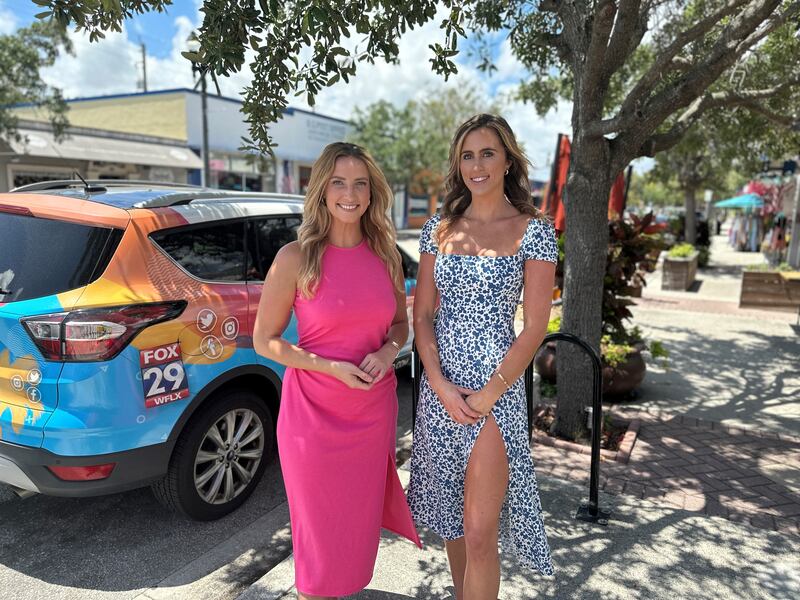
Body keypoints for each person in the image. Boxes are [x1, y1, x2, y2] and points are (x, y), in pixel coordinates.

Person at [253, 142, 421, 599]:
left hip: (371, 415)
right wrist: (328, 366)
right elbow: (265, 340)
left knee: (355, 532)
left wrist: (388, 352)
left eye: (360, 184)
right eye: (339, 183)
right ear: (322, 190)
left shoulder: (386, 256)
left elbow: (400, 325)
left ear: (372, 192)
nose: (350, 194)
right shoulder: (295, 257)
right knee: (317, 539)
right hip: (312, 418)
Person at [408, 114, 556, 599]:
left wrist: (489, 393)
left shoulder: (534, 230)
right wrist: (438, 383)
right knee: (451, 520)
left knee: (478, 531)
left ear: (508, 159)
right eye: (467, 155)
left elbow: (535, 327)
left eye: (488, 153)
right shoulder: (438, 229)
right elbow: (423, 314)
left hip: (496, 394)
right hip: (441, 390)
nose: (477, 165)